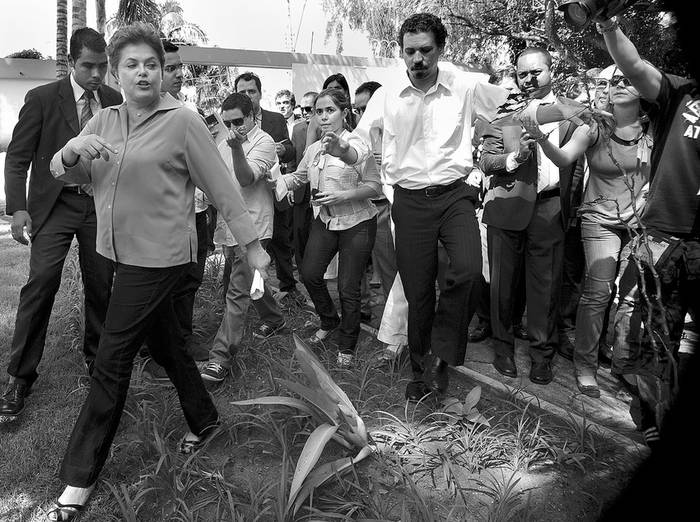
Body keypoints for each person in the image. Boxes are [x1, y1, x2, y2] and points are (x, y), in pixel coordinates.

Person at [43, 23, 270, 520]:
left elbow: (223, 187)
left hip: (163, 256)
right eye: (132, 64)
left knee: (112, 356)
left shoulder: (183, 122)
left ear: (163, 72)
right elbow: (74, 173)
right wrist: (70, 152)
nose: (143, 72)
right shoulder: (103, 121)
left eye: (152, 64)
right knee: (167, 344)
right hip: (115, 253)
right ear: (115, 72)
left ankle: (77, 478)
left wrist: (252, 247)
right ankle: (205, 419)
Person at [322, 13, 510, 398]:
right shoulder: (387, 94)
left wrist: (557, 112)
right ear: (401, 52)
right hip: (409, 201)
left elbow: (509, 109)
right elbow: (359, 142)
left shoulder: (464, 84)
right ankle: (422, 373)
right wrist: (342, 149)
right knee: (418, 290)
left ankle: (444, 348)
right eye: (410, 51)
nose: (418, 59)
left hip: (455, 195)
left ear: (441, 49)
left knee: (471, 273)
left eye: (426, 50)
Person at [0, 28, 122, 421]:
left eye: (103, 66)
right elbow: (17, 158)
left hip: (97, 208)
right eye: (88, 65)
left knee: (102, 285)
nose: (97, 74)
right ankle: (19, 377)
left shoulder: (114, 101)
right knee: (40, 285)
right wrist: (17, 208)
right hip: (53, 208)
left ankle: (97, 363)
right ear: (71, 63)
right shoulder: (41, 99)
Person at [597, 16, 699, 423]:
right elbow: (635, 66)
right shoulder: (682, 92)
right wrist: (607, 23)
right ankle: (650, 414)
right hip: (664, 236)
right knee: (650, 334)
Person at [528, 64, 651, 397]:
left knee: (630, 299)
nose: (619, 86)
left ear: (642, 87)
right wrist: (541, 137)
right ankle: (585, 366)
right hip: (599, 220)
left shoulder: (655, 128)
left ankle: (624, 366)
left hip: (639, 224)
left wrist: (647, 194)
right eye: (612, 82)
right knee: (598, 293)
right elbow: (564, 159)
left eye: (627, 80)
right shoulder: (596, 127)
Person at [480, 47, 584, 385]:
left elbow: (578, 163)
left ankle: (542, 355)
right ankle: (502, 348)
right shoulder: (505, 112)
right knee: (502, 288)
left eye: (536, 71)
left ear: (551, 70)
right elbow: (486, 161)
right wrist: (515, 156)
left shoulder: (570, 112)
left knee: (545, 287)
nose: (529, 79)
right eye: (523, 74)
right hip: (507, 207)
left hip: (551, 208)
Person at [281, 88, 381, 366]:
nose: (323, 117)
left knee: (348, 287)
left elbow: (374, 186)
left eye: (330, 110)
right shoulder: (313, 149)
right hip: (325, 220)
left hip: (358, 221)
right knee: (310, 273)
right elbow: (299, 176)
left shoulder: (357, 143)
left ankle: (347, 344)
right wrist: (278, 180)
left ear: (344, 113)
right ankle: (329, 319)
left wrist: (342, 196)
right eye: (319, 111)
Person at [200, 93, 285, 383]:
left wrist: (236, 148)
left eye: (238, 121)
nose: (233, 127)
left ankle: (219, 359)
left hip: (255, 229)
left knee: (236, 291)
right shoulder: (219, 141)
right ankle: (274, 320)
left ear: (251, 117)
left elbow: (246, 178)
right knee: (249, 283)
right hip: (228, 227)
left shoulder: (264, 142)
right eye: (228, 122)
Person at [143, 40, 211, 377]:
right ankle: (157, 351)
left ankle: (181, 340)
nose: (178, 74)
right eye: (170, 68)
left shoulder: (189, 112)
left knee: (190, 279)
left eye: (179, 67)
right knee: (162, 286)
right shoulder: (143, 116)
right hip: (163, 218)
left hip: (197, 213)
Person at [234, 72, 301, 308]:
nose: (247, 95)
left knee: (282, 241)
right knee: (251, 245)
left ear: (260, 94)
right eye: (242, 92)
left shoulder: (275, 118)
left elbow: (290, 148)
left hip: (273, 187)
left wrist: (282, 151)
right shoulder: (231, 123)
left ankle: (288, 289)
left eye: (251, 91)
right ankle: (256, 297)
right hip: (248, 194)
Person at [289, 91, 318, 277]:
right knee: (299, 233)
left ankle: (316, 271)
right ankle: (302, 272)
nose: (305, 112)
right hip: (300, 189)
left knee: (316, 234)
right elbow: (293, 159)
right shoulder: (298, 129)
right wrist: (291, 185)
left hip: (319, 191)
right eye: (302, 108)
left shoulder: (327, 129)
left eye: (309, 108)